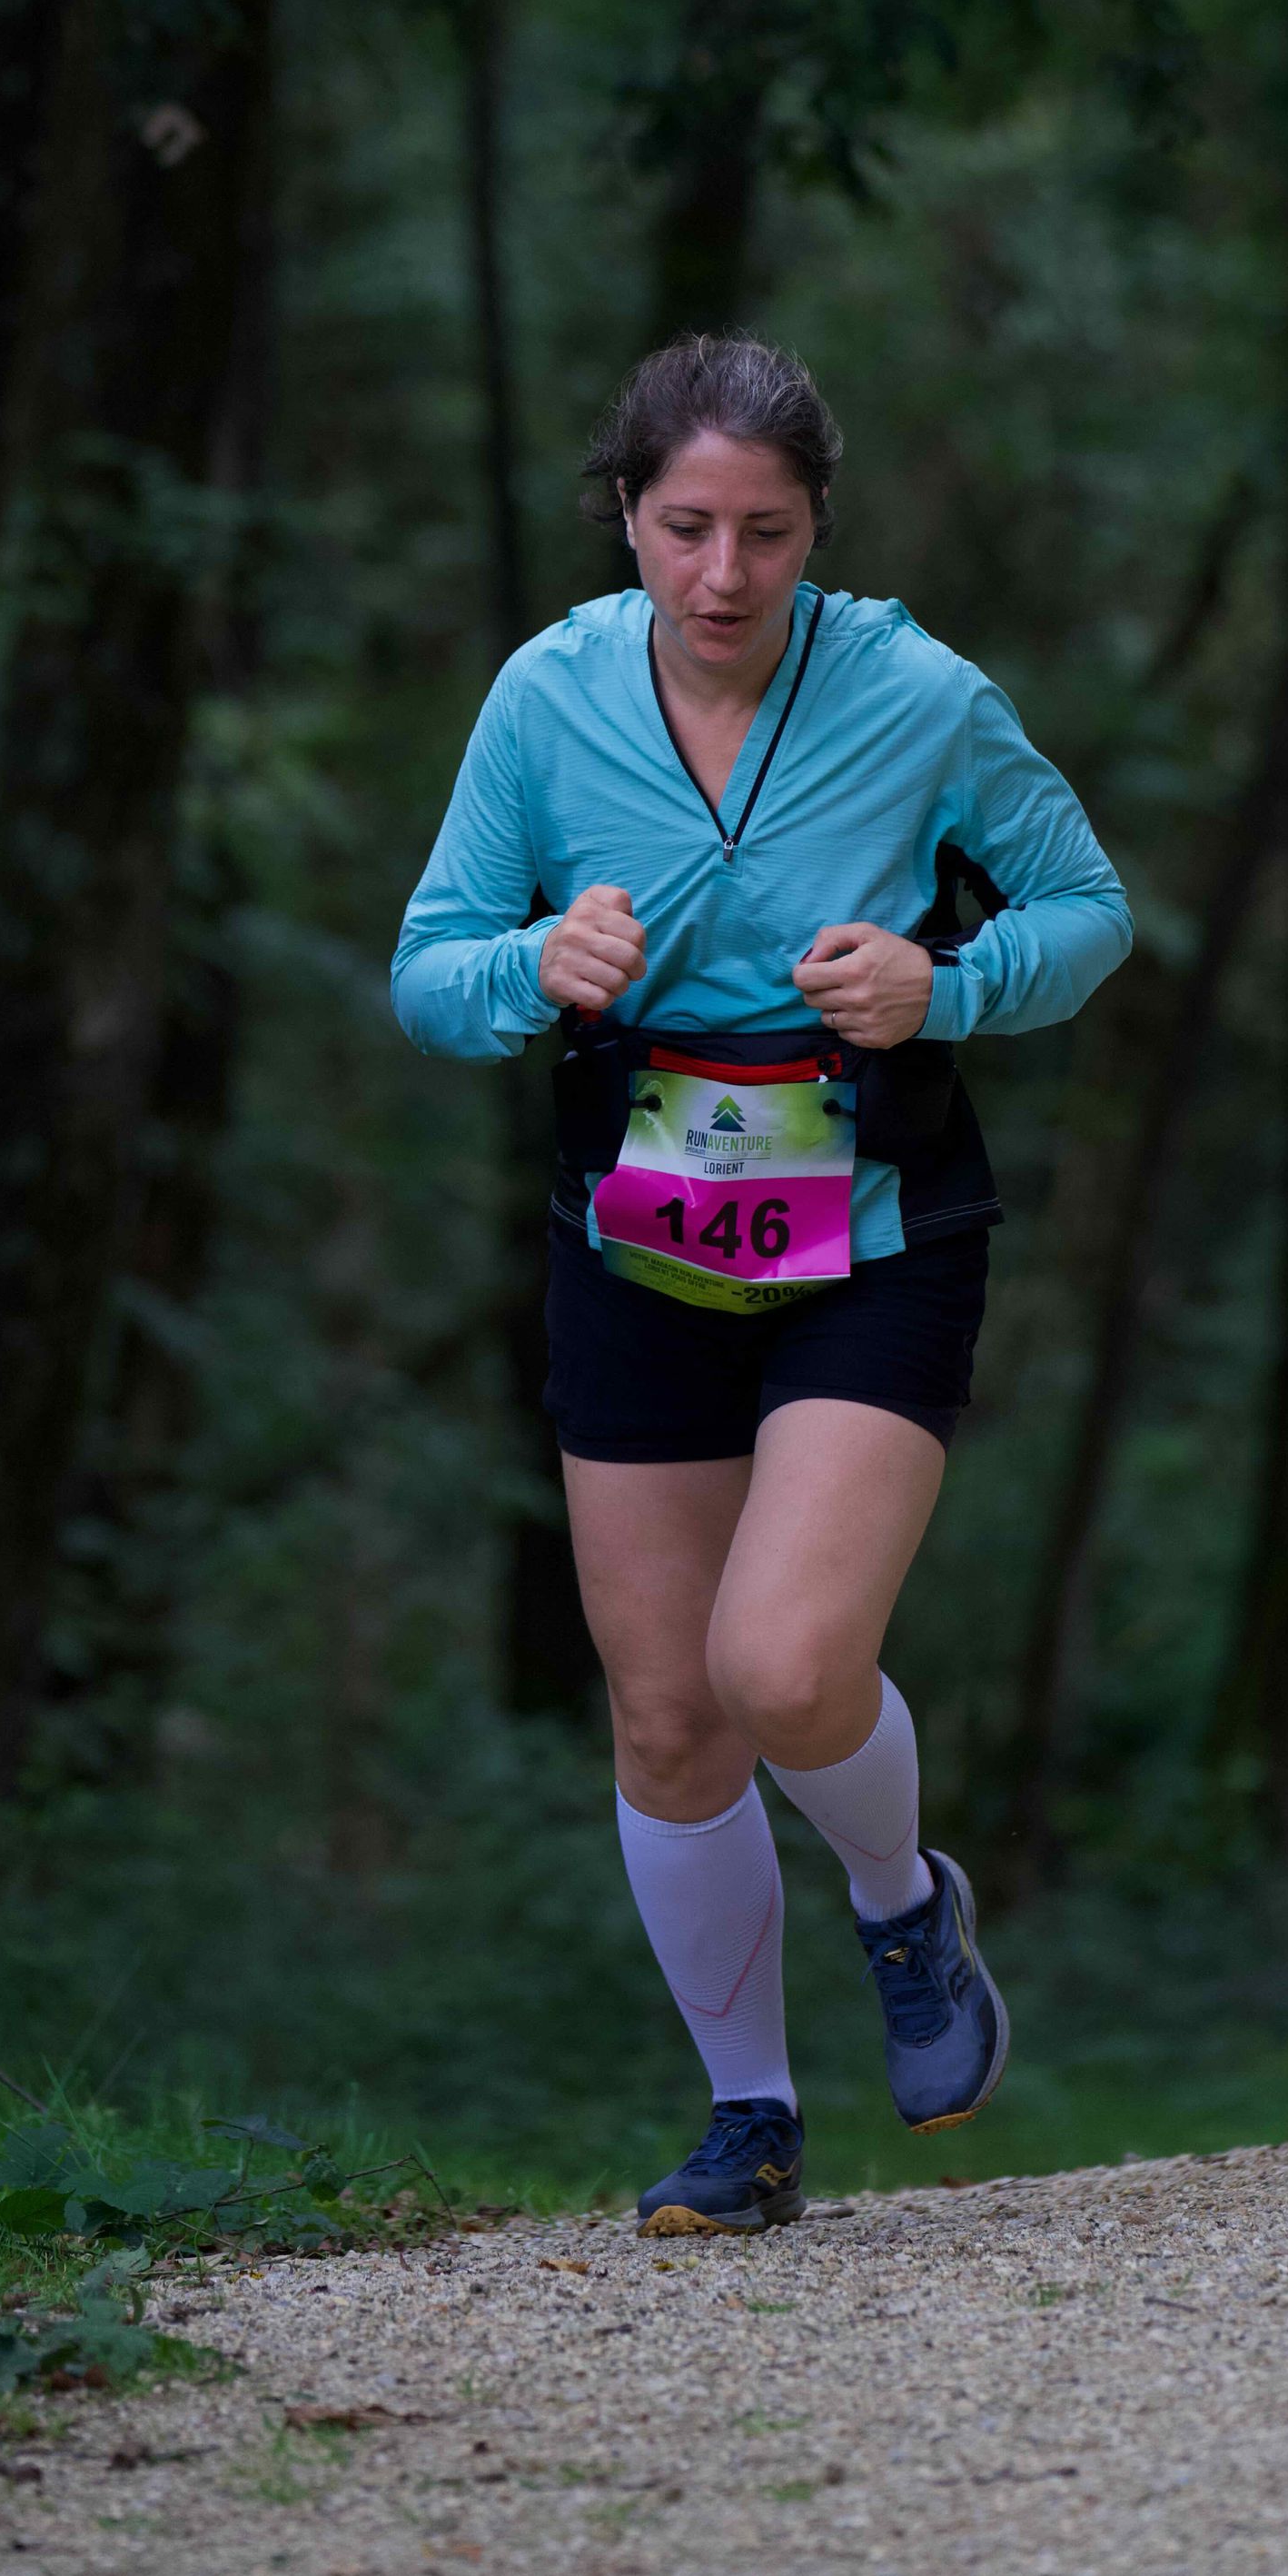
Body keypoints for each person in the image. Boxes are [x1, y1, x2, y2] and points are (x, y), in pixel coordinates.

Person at [392, 333, 1132, 2233]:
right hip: (634, 1239)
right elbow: (430, 968)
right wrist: (531, 967)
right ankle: (752, 2123)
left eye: (768, 533)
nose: (723, 575)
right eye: (686, 527)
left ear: (819, 531)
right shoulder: (547, 699)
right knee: (666, 1718)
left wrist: (948, 984)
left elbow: (1088, 910)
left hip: (871, 1233)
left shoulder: (918, 695)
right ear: (626, 519)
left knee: (783, 1665)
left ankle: (905, 1904)